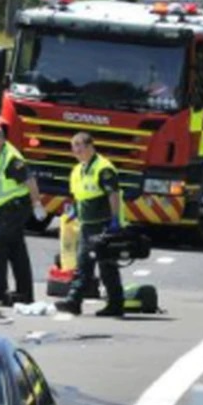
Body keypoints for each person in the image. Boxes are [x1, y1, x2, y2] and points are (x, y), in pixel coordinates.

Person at [56, 132, 126, 318]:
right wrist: (74, 213)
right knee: (83, 265)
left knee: (106, 266)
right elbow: (80, 197)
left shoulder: (103, 168)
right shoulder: (78, 170)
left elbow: (113, 194)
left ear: (90, 147)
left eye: (80, 147)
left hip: (104, 224)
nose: (77, 151)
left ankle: (115, 304)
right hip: (87, 225)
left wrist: (115, 220)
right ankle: (74, 301)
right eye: (74, 148)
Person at [0, 124, 44, 306]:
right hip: (3, 208)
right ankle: (25, 294)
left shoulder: (11, 158)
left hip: (16, 207)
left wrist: (37, 204)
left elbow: (30, 180)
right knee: (16, 249)